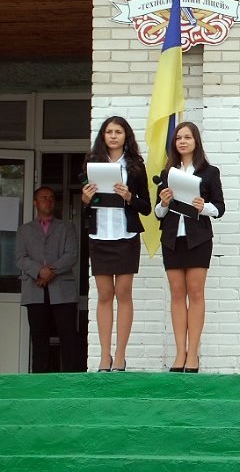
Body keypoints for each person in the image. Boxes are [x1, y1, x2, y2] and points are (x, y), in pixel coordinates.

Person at [81, 116, 151, 372]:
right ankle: (104, 356)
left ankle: (120, 355)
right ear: (103, 135)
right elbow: (86, 205)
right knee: (104, 295)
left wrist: (129, 196)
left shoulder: (135, 166)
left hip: (125, 235)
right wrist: (85, 199)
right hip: (100, 236)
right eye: (109, 131)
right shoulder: (91, 163)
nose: (113, 136)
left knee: (123, 293)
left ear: (126, 136)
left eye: (118, 132)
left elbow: (146, 207)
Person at [155, 121, 225, 373]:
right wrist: (163, 203)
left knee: (195, 293)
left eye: (187, 137)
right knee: (176, 293)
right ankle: (180, 353)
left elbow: (220, 208)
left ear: (196, 141)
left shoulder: (209, 172)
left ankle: (193, 354)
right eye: (178, 138)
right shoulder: (167, 173)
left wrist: (203, 207)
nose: (182, 142)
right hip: (172, 238)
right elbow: (158, 213)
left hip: (198, 239)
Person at [15, 187, 81, 372]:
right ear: (35, 203)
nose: (48, 200)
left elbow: (71, 255)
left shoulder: (66, 227)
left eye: (51, 198)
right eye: (44, 198)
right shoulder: (24, 230)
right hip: (34, 290)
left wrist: (49, 272)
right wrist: (39, 271)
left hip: (63, 291)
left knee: (68, 336)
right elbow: (20, 258)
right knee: (39, 338)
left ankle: (71, 378)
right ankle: (40, 379)